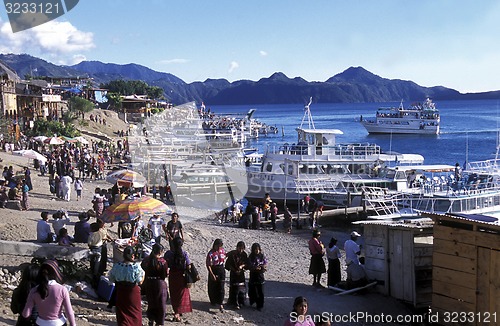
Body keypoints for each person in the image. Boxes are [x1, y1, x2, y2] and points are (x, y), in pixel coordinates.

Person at [22, 260, 76, 326]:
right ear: (56, 273)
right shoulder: (62, 289)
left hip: (40, 323)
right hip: (58, 323)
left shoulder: (34, 290)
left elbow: (26, 314)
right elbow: (69, 312)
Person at [108, 246, 145, 326]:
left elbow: (111, 279)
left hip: (121, 291)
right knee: (134, 313)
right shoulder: (136, 267)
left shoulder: (117, 266)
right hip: (132, 293)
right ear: (132, 256)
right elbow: (140, 281)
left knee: (122, 313)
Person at [164, 237, 192, 322]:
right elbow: (188, 265)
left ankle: (176, 311)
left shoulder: (168, 254)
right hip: (181, 276)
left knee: (174, 294)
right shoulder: (184, 254)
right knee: (181, 295)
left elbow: (165, 264)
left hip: (173, 276)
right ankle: (178, 312)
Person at [141, 243, 168, 326]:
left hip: (148, 283)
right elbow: (165, 274)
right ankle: (159, 322)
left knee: (151, 302)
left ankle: (151, 319)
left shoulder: (146, 260)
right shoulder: (162, 262)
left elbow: (142, 267)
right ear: (160, 252)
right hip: (159, 284)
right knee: (161, 304)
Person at [224, 241, 248, 310]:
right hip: (234, 274)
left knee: (241, 288)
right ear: (237, 247)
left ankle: (241, 302)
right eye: (239, 248)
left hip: (241, 274)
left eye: (242, 248)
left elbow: (247, 263)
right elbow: (228, 264)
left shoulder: (244, 255)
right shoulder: (233, 254)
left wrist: (242, 266)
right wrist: (234, 270)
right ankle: (233, 302)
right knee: (233, 288)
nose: (240, 250)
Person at [206, 238, 226, 312]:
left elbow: (224, 257)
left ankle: (220, 303)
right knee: (213, 287)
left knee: (221, 286)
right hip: (214, 269)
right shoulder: (211, 253)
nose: (218, 248)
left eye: (220, 246)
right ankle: (213, 301)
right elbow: (208, 265)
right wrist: (212, 274)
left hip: (221, 269)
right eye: (217, 246)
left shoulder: (222, 251)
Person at [248, 242, 267, 311]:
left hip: (260, 276)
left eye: (258, 249)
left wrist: (262, 268)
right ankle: (254, 301)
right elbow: (249, 265)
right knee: (253, 291)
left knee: (261, 292)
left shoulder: (262, 256)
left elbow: (265, 264)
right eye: (255, 249)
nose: (257, 250)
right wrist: (254, 268)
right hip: (253, 276)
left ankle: (260, 306)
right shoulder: (251, 257)